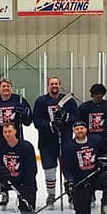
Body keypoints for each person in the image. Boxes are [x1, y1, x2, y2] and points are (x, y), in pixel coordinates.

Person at [0, 79, 32, 208]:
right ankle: (4, 191)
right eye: (3, 86)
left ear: (11, 88)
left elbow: (28, 121)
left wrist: (25, 112)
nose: (5, 88)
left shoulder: (19, 100)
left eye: (8, 86)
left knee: (19, 167)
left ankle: (20, 191)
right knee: (2, 168)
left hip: (16, 141)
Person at [33, 76, 79, 205]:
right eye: (52, 84)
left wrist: (66, 118)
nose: (54, 86)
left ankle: (70, 192)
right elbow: (36, 121)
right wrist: (51, 124)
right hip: (46, 143)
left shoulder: (68, 101)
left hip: (66, 141)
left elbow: (77, 117)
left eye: (56, 83)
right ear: (48, 86)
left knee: (68, 168)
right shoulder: (41, 101)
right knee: (49, 170)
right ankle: (51, 195)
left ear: (60, 85)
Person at [61, 119, 107, 214]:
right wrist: (70, 181)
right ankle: (82, 198)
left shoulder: (96, 140)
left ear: (86, 129)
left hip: (95, 177)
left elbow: (105, 154)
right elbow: (66, 168)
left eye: (81, 128)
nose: (80, 131)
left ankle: (106, 205)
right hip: (81, 181)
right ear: (74, 131)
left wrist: (103, 162)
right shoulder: (68, 147)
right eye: (77, 129)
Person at [0, 122, 38, 214]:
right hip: (6, 180)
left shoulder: (26, 147)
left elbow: (32, 169)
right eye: (5, 132)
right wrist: (2, 171)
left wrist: (25, 185)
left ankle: (24, 205)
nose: (7, 134)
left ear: (15, 131)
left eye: (10, 131)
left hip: (23, 181)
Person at [78, 83, 107, 151]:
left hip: (105, 140)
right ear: (92, 94)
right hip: (89, 140)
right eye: (96, 94)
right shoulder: (84, 107)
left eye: (100, 94)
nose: (98, 96)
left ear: (103, 94)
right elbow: (79, 122)